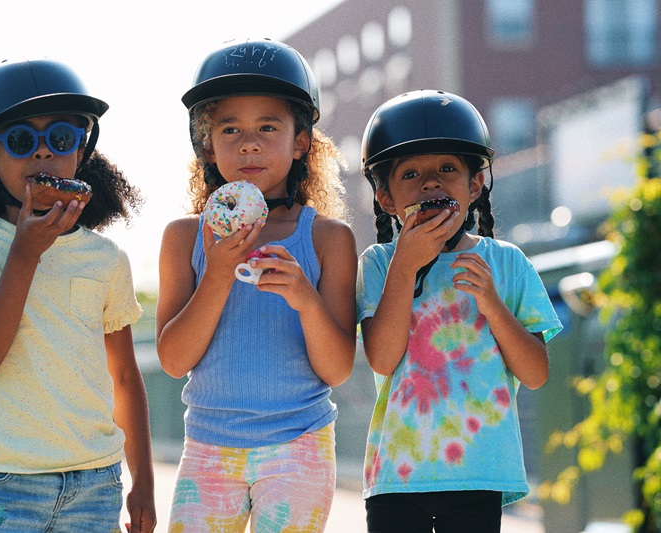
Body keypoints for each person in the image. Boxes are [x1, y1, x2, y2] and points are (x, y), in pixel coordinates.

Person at [0, 58, 156, 533]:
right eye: (21, 141)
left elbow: (123, 376)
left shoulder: (106, 259)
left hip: (97, 486)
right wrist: (25, 254)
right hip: (6, 484)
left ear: (80, 152)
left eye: (60, 138)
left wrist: (143, 483)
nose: (43, 155)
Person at [155, 38, 357, 532]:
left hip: (300, 443)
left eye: (268, 127)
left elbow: (337, 370)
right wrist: (219, 273)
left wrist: (306, 301)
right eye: (231, 129)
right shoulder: (184, 237)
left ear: (301, 141)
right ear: (207, 144)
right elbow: (174, 359)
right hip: (208, 445)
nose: (249, 143)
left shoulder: (330, 239)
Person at [356, 90, 563, 533]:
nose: (431, 182)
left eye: (447, 168)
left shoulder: (507, 262)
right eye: (410, 173)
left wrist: (491, 302)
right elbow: (382, 359)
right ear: (387, 198)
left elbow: (536, 374)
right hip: (398, 476)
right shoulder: (377, 263)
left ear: (474, 186)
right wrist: (405, 264)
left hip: (479, 473)